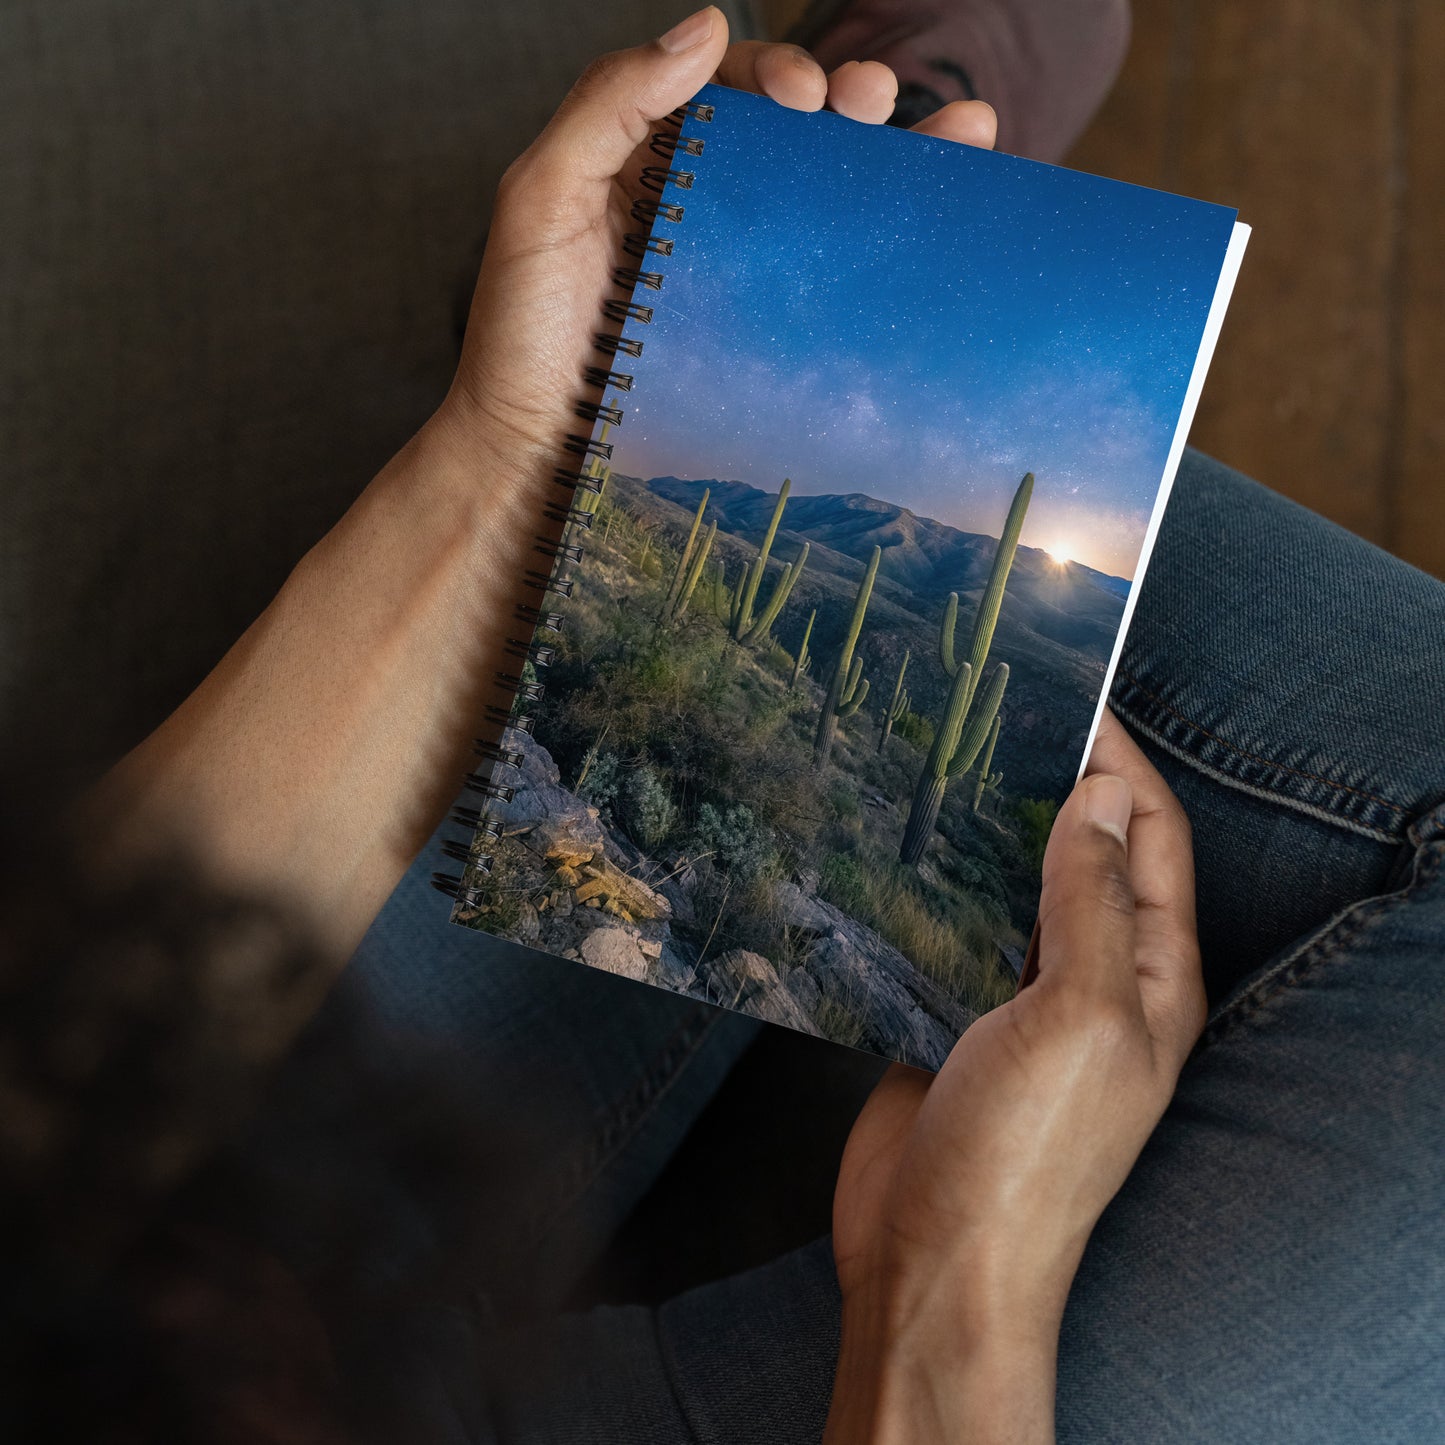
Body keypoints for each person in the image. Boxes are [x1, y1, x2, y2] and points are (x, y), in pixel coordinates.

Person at [4, 8, 1442, 1442]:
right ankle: (849, 195)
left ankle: (684, 303)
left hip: (145, 1281)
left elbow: (44, 1072)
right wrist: (946, 1297)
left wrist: (501, 460)